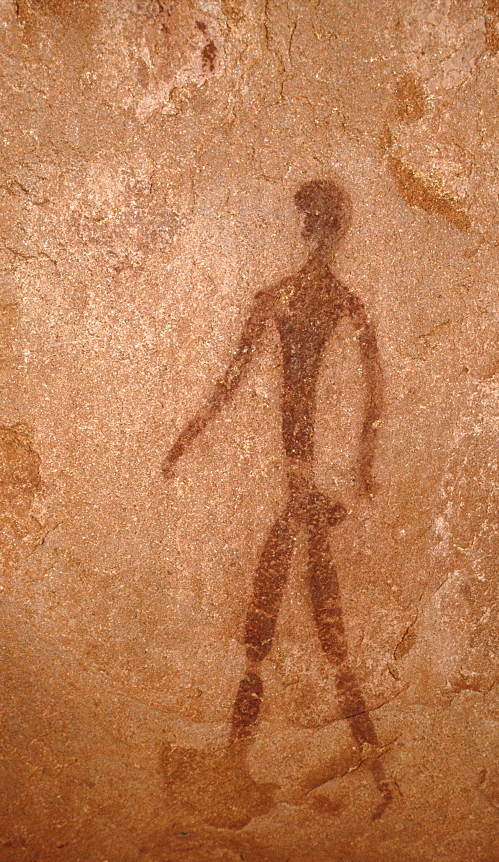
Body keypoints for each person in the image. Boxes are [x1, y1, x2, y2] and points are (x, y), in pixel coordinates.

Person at [162, 179, 392, 822]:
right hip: (303, 486)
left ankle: (350, 769)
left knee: (297, 634)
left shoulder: (290, 299)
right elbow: (369, 392)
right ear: (336, 230)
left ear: (307, 227)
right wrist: (362, 467)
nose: (313, 234)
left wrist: (362, 468)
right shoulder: (335, 301)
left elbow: (234, 382)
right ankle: (365, 770)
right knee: (313, 631)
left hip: (304, 488)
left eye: (307, 223)